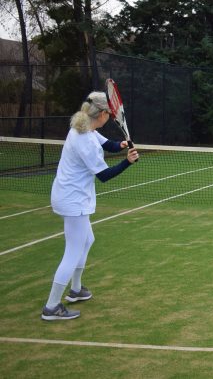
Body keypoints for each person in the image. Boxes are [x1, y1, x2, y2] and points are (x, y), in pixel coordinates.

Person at [41, 92, 139, 321]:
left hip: (72, 195)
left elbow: (110, 145)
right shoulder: (85, 139)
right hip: (73, 199)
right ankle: (52, 306)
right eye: (110, 114)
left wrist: (122, 145)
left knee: (87, 240)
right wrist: (128, 161)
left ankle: (76, 290)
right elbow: (104, 175)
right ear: (103, 114)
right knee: (73, 251)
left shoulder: (85, 127)